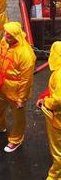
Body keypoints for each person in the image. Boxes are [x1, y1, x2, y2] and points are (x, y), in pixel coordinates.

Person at [0, 22, 36, 153]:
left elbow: (26, 79)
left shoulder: (25, 55)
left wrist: (21, 98)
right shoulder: (5, 42)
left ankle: (16, 139)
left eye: (10, 35)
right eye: (6, 33)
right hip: (2, 84)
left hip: (16, 89)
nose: (6, 36)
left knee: (18, 116)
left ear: (16, 36)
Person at [37, 41, 61, 180]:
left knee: (58, 149)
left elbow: (58, 100)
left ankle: (55, 176)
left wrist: (46, 102)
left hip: (57, 118)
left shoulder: (59, 75)